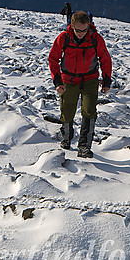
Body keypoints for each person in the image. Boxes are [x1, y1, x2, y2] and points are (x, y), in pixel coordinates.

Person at [48, 11, 112, 157]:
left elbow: (105, 59)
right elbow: (53, 59)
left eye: (84, 30)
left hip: (90, 80)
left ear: (89, 26)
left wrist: (106, 81)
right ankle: (66, 137)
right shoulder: (63, 38)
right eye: (78, 30)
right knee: (67, 110)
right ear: (71, 25)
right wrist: (57, 82)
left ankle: (84, 146)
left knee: (89, 111)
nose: (81, 33)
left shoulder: (96, 39)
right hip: (68, 80)